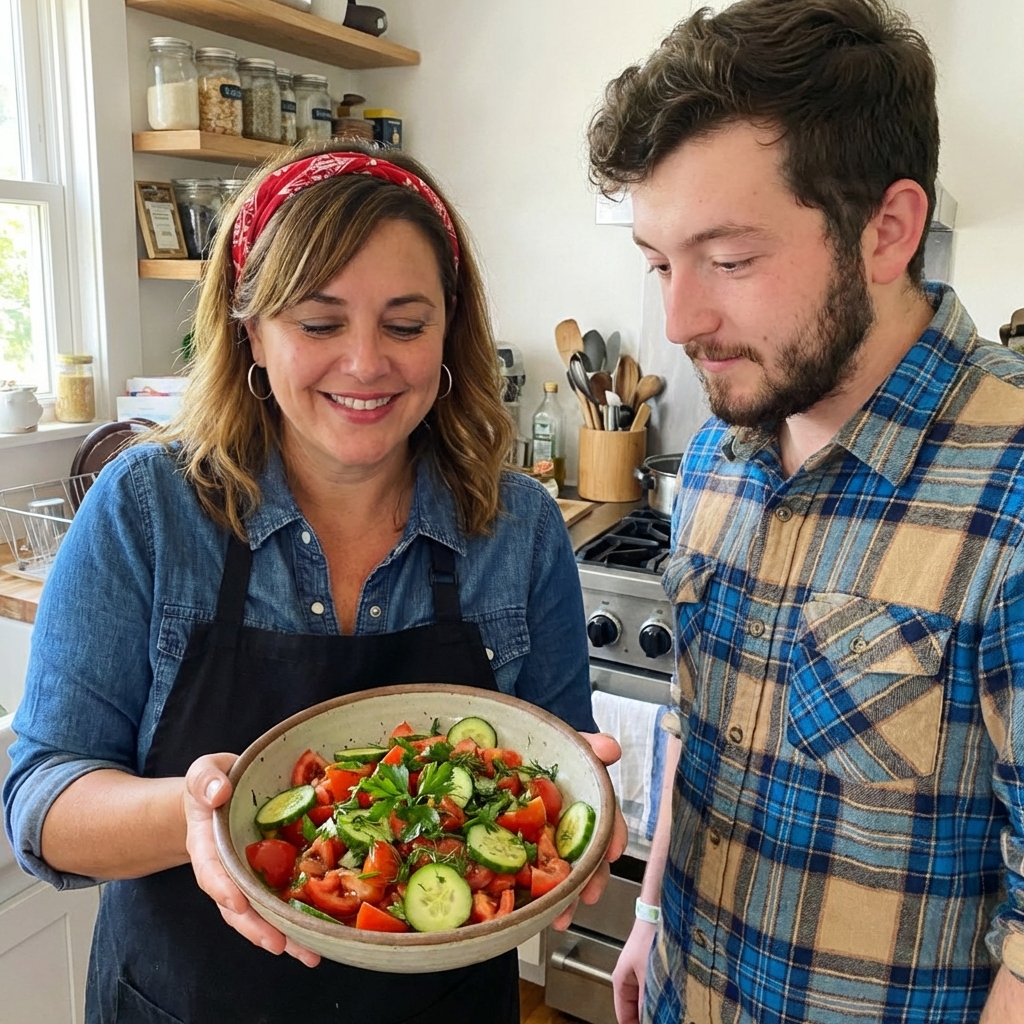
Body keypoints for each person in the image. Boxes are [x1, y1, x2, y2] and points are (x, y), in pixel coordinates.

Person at [3, 141, 625, 1024]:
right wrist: (194, 815)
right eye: (319, 323)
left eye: (406, 324)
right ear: (251, 328)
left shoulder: (519, 528)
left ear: (451, 329)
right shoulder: (147, 508)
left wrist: (586, 818)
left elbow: (556, 777)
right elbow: (42, 804)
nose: (367, 364)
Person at [587, 1, 1024, 1022]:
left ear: (889, 228)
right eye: (658, 262)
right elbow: (702, 725)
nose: (680, 320)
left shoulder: (1008, 491)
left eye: (729, 260)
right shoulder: (717, 454)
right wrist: (650, 923)